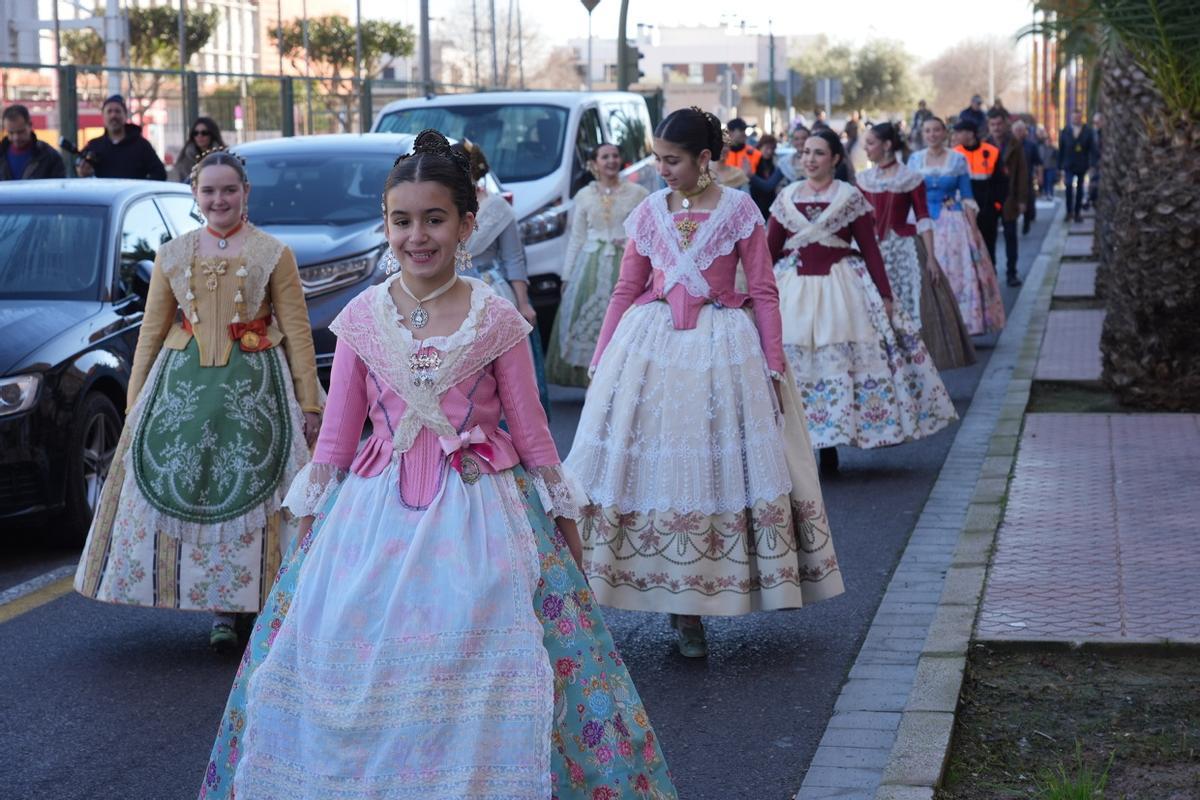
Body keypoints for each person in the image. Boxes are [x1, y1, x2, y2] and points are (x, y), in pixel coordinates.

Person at [198, 130, 678, 799]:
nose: (417, 236)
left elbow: (534, 435)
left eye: (434, 219)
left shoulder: (498, 317)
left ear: (467, 224)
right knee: (356, 660)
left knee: (487, 656)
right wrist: (306, 549)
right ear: (385, 225)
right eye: (402, 221)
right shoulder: (363, 316)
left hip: (482, 512)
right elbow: (335, 442)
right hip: (369, 521)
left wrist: (567, 532)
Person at [566, 107, 842, 658]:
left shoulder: (741, 211)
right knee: (650, 468)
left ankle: (697, 596)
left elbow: (763, 290)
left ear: (704, 159)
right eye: (659, 158)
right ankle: (672, 599)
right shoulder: (648, 212)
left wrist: (771, 361)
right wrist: (600, 356)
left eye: (672, 160)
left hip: (723, 349)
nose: (661, 169)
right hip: (649, 349)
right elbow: (627, 288)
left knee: (713, 472)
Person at [74, 149, 323, 652]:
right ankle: (222, 611)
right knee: (200, 491)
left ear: (246, 194)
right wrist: (134, 405)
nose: (219, 199)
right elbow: (151, 333)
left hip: (256, 392)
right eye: (209, 191)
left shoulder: (274, 253)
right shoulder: (173, 253)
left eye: (229, 189)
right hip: (183, 390)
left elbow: (297, 333)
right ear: (195, 195)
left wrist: (310, 403)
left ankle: (259, 603)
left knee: (257, 491)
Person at [767, 129, 957, 474]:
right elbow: (768, 250)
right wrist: (757, 294)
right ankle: (809, 444)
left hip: (842, 288)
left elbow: (870, 249)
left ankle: (832, 443)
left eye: (818, 153)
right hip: (794, 289)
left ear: (836, 159)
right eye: (806, 152)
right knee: (798, 365)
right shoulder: (787, 197)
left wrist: (884, 295)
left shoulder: (849, 197)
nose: (809, 159)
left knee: (840, 363)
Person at [859, 122, 976, 371]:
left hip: (905, 250)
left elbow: (923, 217)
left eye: (870, 143)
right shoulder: (864, 179)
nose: (865, 149)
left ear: (887, 145)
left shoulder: (910, 178)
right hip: (872, 252)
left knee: (912, 309)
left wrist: (931, 259)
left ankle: (916, 368)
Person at [452, 139, 551, 413]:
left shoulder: (497, 208)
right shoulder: (439, 208)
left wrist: (523, 302)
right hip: (447, 291)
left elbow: (513, 258)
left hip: (488, 289)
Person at [546, 142, 648, 387]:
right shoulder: (584, 196)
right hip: (590, 266)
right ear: (594, 164)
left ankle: (624, 379)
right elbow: (577, 237)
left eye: (615, 155)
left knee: (625, 322)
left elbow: (646, 232)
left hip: (625, 263)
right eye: (605, 156)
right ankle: (594, 380)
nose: (611, 160)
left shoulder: (637, 193)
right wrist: (567, 276)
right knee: (592, 323)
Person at [910, 116, 1006, 337]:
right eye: (927, 131)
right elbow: (907, 194)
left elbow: (967, 196)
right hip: (921, 221)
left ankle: (958, 323)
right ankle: (929, 324)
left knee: (954, 272)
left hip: (951, 224)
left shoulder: (957, 160)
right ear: (923, 135)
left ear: (945, 133)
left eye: (936, 130)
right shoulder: (914, 160)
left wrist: (973, 230)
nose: (932, 135)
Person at [984, 109, 1030, 286]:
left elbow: (1022, 173)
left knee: (1011, 236)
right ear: (988, 126)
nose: (996, 128)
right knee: (990, 238)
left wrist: (1022, 200)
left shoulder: (1014, 144)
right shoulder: (983, 144)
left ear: (1005, 124)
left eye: (999, 124)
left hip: (1009, 198)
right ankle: (991, 272)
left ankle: (1012, 272)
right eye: (992, 124)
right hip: (988, 199)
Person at [76, 94, 167, 180]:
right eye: (109, 111)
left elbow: (160, 174)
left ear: (125, 115)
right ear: (103, 116)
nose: (113, 115)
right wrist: (83, 173)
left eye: (117, 111)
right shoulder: (94, 146)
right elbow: (78, 170)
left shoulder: (142, 145)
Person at [1, 104, 66, 180]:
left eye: (20, 132)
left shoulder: (50, 157)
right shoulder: (49, 155)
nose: (16, 138)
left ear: (30, 125)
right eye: (11, 133)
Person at [1057, 109, 1097, 223]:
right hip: (1068, 164)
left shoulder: (1087, 131)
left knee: (1080, 189)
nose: (1076, 119)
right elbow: (1061, 149)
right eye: (1074, 117)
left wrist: (1092, 164)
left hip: (1082, 164)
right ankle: (1069, 212)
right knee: (1068, 187)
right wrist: (1059, 167)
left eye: (1078, 117)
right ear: (1071, 118)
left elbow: (1092, 149)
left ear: (1081, 118)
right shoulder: (1065, 131)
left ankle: (1077, 213)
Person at [170, 116, 225, 183]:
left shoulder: (222, 156)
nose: (199, 136)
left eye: (204, 133)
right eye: (195, 133)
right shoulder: (185, 159)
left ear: (212, 135)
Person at [1012, 120, 1041, 235]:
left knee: (1028, 202)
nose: (1019, 133)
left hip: (1027, 179)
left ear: (1025, 132)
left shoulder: (1031, 145)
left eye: (1021, 130)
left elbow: (1038, 162)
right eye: (1016, 130)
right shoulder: (1009, 145)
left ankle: (1026, 221)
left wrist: (1039, 176)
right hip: (1012, 180)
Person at [749, 133, 785, 218]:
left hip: (770, 203)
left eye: (772, 149)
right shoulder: (753, 161)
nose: (770, 151)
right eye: (767, 148)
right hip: (755, 202)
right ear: (760, 147)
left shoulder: (774, 162)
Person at [1036, 125, 1058, 200]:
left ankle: (1050, 193)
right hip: (1043, 167)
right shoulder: (1040, 148)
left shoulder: (1053, 149)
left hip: (1051, 167)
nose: (1048, 142)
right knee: (1044, 181)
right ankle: (1045, 193)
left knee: (1050, 181)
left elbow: (1056, 158)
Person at [1087, 111, 1103, 210]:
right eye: (1094, 123)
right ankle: (1092, 200)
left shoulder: (1106, 133)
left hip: (1104, 164)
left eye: (1097, 122)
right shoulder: (1092, 133)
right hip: (1094, 164)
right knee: (1093, 183)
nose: (1095, 125)